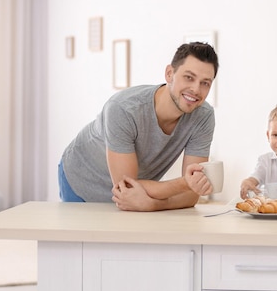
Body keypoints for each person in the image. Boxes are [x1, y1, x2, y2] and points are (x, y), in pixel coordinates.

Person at [58, 42, 219, 212]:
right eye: (189, 77)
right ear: (170, 74)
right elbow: (126, 187)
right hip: (81, 179)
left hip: (138, 194)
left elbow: (193, 192)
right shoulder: (123, 108)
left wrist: (154, 204)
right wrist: (185, 183)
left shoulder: (203, 116)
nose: (196, 89)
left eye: (205, 83)